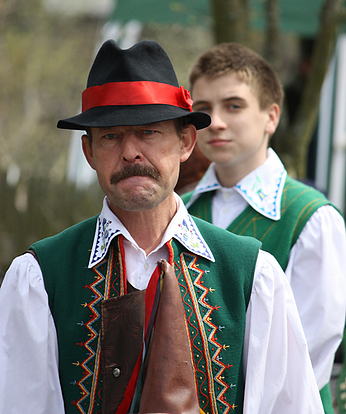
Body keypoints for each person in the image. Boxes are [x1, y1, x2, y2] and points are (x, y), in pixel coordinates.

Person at [0, 39, 324, 414]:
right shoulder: (41, 276)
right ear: (89, 153)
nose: (130, 152)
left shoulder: (252, 273)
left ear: (186, 142)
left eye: (149, 132)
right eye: (111, 136)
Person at [183, 41, 346, 414]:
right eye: (203, 108)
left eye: (234, 105)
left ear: (271, 116)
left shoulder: (311, 218)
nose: (217, 121)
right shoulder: (182, 212)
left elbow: (308, 357)